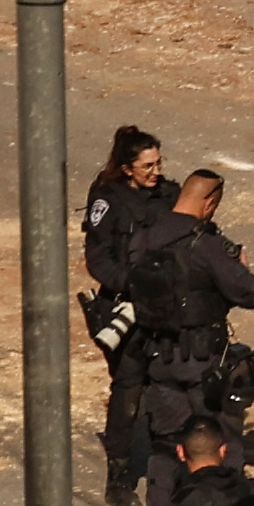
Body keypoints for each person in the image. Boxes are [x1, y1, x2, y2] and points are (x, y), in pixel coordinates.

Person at [114, 169, 254, 506]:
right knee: (221, 443)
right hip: (205, 363)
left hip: (159, 359)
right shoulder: (208, 245)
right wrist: (240, 267)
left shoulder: (143, 239)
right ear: (209, 203)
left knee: (166, 450)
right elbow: (251, 293)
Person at [78, 127, 172, 466]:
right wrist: (132, 282)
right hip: (123, 305)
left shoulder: (168, 195)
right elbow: (98, 258)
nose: (155, 172)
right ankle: (119, 470)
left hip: (163, 305)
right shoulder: (108, 199)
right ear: (127, 167)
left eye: (158, 163)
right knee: (128, 387)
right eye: (147, 166)